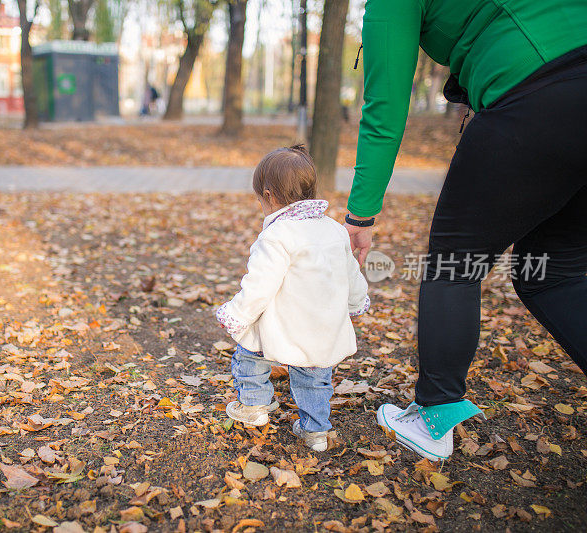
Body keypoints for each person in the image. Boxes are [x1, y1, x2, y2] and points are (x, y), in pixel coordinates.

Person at [346, 0, 587, 461]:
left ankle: (433, 418)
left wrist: (361, 214)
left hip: (534, 94)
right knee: (553, 275)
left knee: (455, 264)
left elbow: (385, 106)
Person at [216, 145, 370, 452]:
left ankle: (255, 406)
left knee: (249, 353)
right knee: (315, 378)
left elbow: (260, 286)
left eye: (260, 199)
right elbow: (351, 272)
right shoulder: (335, 230)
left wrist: (236, 314)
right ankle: (316, 432)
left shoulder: (276, 236)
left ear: (269, 196)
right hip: (321, 328)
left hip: (282, 325)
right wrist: (355, 302)